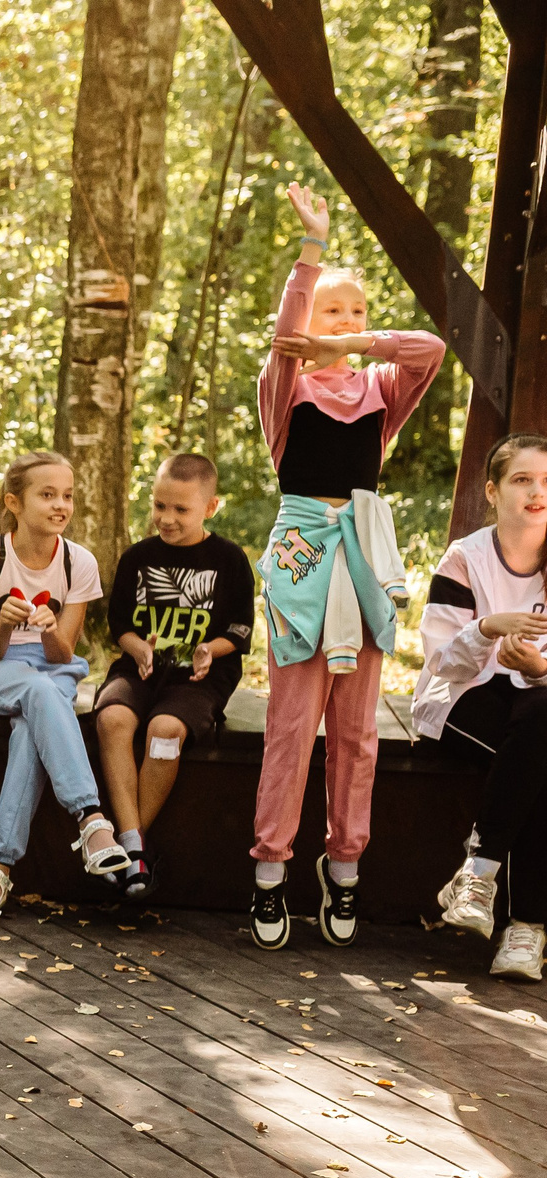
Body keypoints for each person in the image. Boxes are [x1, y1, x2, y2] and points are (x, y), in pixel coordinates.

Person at [247, 183, 445, 949]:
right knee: (293, 725)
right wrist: (312, 253)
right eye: (336, 311)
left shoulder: (380, 391)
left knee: (357, 731)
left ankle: (345, 864)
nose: (350, 322)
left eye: (359, 312)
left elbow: (426, 349)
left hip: (362, 555)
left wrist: (358, 346)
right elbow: (284, 337)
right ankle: (270, 871)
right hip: (303, 557)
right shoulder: (284, 389)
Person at [0, 451, 129, 924]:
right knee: (39, 693)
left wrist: (50, 629)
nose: (60, 505)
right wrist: (6, 625)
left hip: (51, 670)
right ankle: (90, 819)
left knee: (34, 724)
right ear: (14, 502)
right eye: (46, 495)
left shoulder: (79, 562)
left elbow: (61, 655)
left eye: (66, 495)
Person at [92, 453, 255, 898]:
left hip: (201, 678)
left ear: (211, 507)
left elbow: (241, 629)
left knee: (164, 732)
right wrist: (138, 647)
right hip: (141, 667)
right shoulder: (137, 558)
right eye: (160, 506)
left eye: (180, 509)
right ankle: (135, 850)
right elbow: (119, 625)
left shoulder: (230, 560)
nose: (166, 518)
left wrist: (209, 650)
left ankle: (127, 848)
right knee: (112, 720)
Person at [419, 435, 547, 979]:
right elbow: (441, 662)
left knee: (541, 728)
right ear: (492, 492)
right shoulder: (465, 558)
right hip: (462, 698)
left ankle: (477, 873)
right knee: (538, 756)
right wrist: (487, 629)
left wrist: (539, 669)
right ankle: (528, 928)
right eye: (522, 479)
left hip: (536, 704)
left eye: (546, 481)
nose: (537, 492)